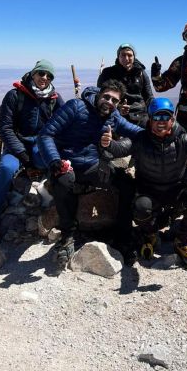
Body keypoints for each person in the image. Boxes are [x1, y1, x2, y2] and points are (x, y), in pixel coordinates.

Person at [101, 97, 187, 269]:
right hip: (149, 190)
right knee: (140, 207)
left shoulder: (181, 138)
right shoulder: (141, 138)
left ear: (172, 120)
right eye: (157, 117)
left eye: (165, 117)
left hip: (175, 189)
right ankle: (150, 235)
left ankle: (183, 241)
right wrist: (108, 144)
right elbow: (121, 148)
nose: (161, 122)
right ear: (150, 118)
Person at [37, 79, 142, 267]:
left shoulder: (113, 116)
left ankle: (123, 235)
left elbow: (134, 131)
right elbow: (46, 134)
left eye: (115, 101)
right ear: (99, 94)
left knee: (126, 183)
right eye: (107, 97)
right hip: (66, 163)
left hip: (93, 165)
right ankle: (68, 234)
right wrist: (55, 161)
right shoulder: (76, 106)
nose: (110, 102)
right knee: (62, 183)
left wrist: (162, 132)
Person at [0, 60, 64, 245]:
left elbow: (66, 121)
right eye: (41, 73)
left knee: (51, 164)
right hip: (16, 146)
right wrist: (24, 158)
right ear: (33, 73)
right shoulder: (15, 95)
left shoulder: (54, 98)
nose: (44, 78)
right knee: (6, 170)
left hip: (39, 145)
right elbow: (5, 129)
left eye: (49, 75)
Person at [151, 21, 187, 136]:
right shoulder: (180, 62)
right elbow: (161, 87)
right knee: (181, 148)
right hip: (186, 115)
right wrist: (156, 75)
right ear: (184, 38)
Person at [97, 43, 153, 127]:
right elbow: (99, 95)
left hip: (140, 114)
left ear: (134, 57)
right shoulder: (108, 73)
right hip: (115, 114)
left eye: (129, 55)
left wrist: (157, 110)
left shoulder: (141, 73)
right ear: (118, 56)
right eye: (123, 55)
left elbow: (148, 96)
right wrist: (118, 108)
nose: (126, 58)